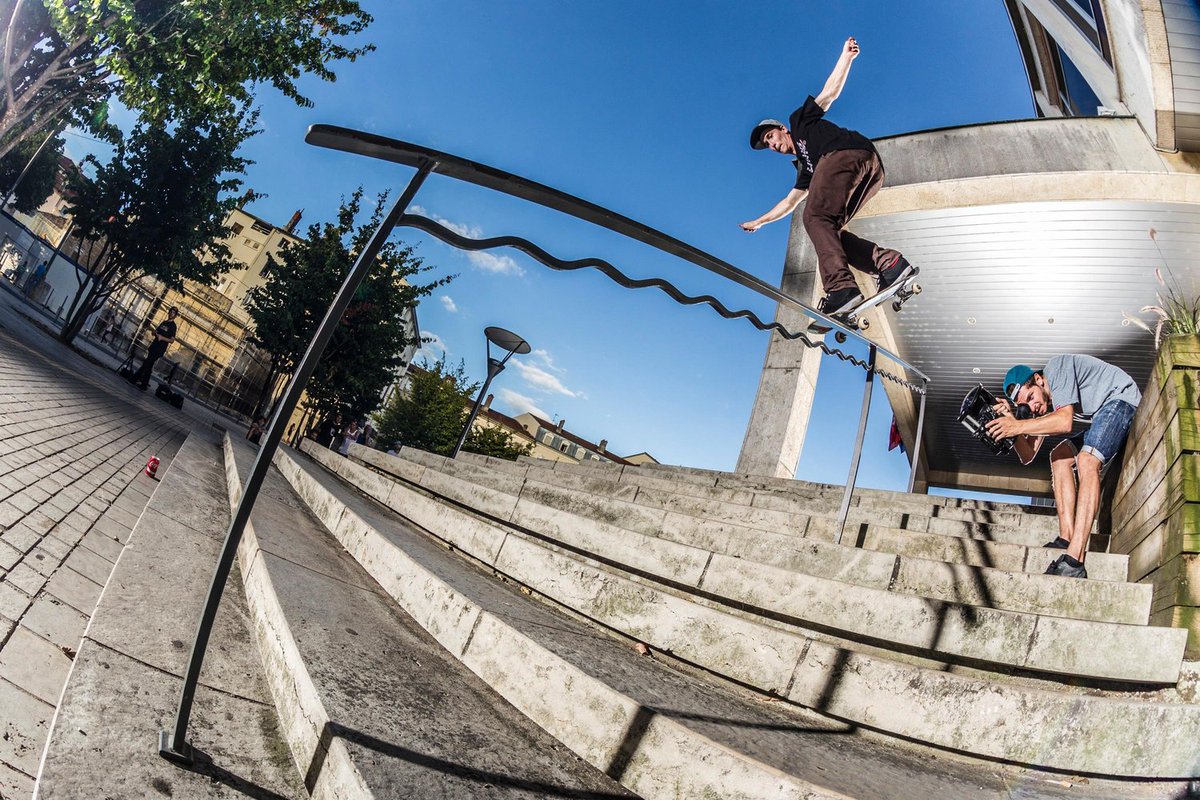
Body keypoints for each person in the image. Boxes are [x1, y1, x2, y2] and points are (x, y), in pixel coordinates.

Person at [741, 36, 917, 322]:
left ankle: (842, 291)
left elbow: (828, 94)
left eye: (771, 137)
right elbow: (789, 202)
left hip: (845, 153)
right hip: (871, 172)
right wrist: (760, 221)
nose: (772, 145)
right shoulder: (807, 172)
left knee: (814, 217)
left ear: (781, 129)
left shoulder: (799, 121)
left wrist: (846, 57)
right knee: (830, 233)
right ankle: (891, 265)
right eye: (768, 145)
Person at [984, 355, 1142, 579]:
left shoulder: (1057, 368)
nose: (1033, 406)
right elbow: (1027, 455)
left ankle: (1074, 560)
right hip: (1103, 416)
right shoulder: (1046, 403)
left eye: (1031, 397)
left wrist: (1016, 425)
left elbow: (1064, 422)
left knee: (1087, 460)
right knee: (1059, 456)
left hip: (1121, 401)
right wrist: (1012, 421)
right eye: (1025, 405)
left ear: (1039, 379)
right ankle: (1066, 537)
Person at [129, 306, 178, 390]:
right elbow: (155, 331)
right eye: (170, 311)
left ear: (175, 315)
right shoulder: (164, 322)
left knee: (147, 363)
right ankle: (144, 385)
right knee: (149, 366)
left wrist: (162, 338)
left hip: (160, 349)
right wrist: (155, 332)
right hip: (154, 346)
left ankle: (134, 379)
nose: (171, 313)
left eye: (173, 312)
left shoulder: (173, 326)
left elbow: (172, 340)